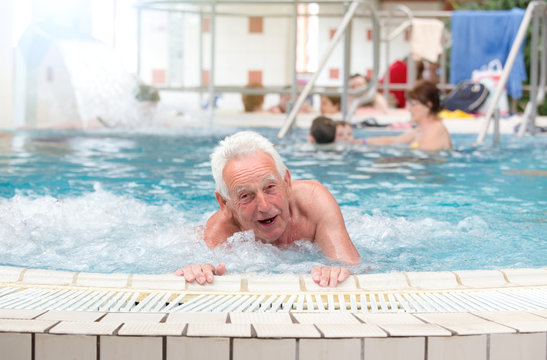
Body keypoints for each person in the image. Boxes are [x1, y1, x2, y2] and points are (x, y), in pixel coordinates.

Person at [176, 131, 361, 287]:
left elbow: (356, 271)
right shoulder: (220, 235)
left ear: (287, 182)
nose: (264, 206)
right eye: (246, 196)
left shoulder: (314, 203)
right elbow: (199, 270)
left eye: (270, 187)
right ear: (224, 203)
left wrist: (336, 270)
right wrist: (198, 270)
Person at [364, 80, 451, 151]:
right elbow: (393, 140)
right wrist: (360, 142)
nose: (409, 109)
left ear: (428, 106)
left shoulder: (434, 130)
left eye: (413, 104)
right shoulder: (422, 129)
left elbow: (425, 162)